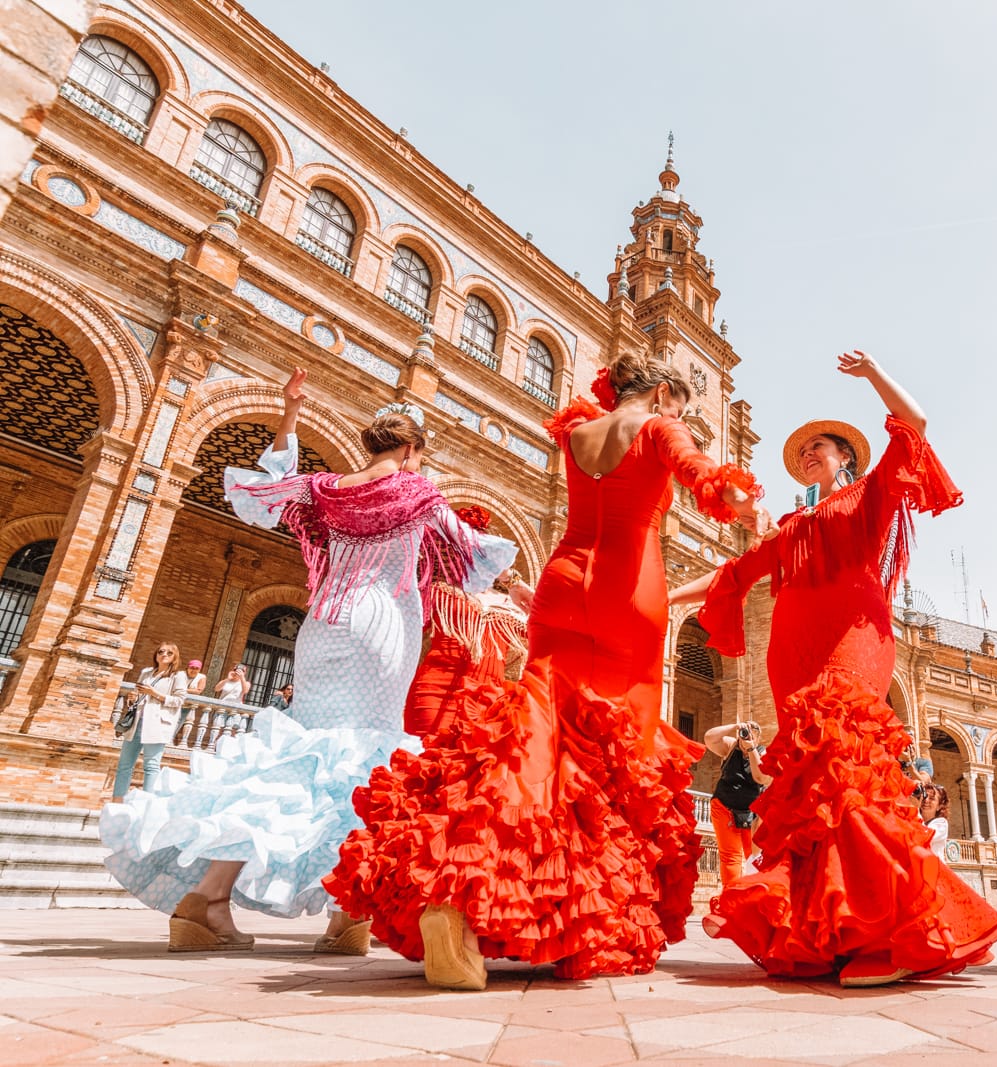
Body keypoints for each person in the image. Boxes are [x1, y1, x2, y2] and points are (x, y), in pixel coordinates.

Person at [326, 354, 766, 990]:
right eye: (680, 407)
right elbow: (706, 478)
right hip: (627, 591)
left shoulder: (578, 432)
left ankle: (458, 893)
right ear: (664, 393)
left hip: (563, 580)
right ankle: (570, 915)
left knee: (536, 735)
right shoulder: (660, 427)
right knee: (617, 758)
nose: (682, 418)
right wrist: (742, 502)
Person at [100, 369, 516, 955]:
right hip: (380, 625)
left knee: (296, 754)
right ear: (411, 449)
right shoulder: (419, 493)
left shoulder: (328, 489)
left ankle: (206, 900)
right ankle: (346, 917)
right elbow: (468, 554)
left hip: (321, 625)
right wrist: (519, 589)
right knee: (368, 760)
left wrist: (290, 414)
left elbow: (264, 493)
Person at [673, 351, 997, 987]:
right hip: (792, 652)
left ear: (844, 458)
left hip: (854, 635)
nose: (808, 455)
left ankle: (889, 934)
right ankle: (836, 931)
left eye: (820, 447)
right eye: (802, 452)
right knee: (811, 787)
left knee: (846, 763)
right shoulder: (791, 525)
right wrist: (663, 596)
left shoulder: (869, 495)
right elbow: (731, 576)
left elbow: (916, 424)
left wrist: (875, 373)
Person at [403, 506, 534, 739]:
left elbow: (550, 636)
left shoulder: (512, 605)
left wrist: (514, 582)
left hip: (488, 707)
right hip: (433, 695)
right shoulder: (438, 592)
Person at [110, 643, 189, 802]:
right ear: (156, 654)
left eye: (169, 653)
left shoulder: (177, 676)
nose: (164, 655)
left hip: (157, 724)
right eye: (160, 652)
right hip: (137, 722)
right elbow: (138, 693)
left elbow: (179, 700)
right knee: (124, 765)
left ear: (174, 657)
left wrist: (154, 693)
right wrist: (132, 699)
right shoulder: (146, 673)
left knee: (151, 765)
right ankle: (117, 802)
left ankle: (146, 804)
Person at [705, 720, 771, 886]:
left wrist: (751, 749)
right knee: (730, 857)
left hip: (751, 814)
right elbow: (709, 738)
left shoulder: (763, 753)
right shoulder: (731, 746)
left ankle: (753, 893)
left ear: (758, 738)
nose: (746, 736)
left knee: (754, 855)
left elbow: (761, 777)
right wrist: (735, 727)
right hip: (724, 806)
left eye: (751, 734)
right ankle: (730, 898)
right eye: (745, 733)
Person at [920, 784, 951, 861]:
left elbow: (923, 836)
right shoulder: (913, 816)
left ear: (939, 806)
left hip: (933, 869)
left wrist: (915, 808)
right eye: (924, 796)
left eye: (932, 798)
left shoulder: (941, 823)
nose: (926, 800)